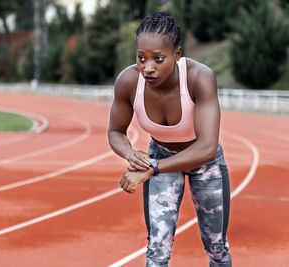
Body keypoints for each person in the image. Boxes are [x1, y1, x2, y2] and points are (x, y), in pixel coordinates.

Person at [107, 12, 232, 267]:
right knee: (157, 251)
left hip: (204, 165)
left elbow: (207, 148)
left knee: (217, 247)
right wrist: (131, 155)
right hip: (161, 155)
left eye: (158, 59)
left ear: (177, 54)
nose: (148, 68)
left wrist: (152, 168)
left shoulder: (199, 77)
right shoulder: (129, 82)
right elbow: (115, 131)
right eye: (141, 58)